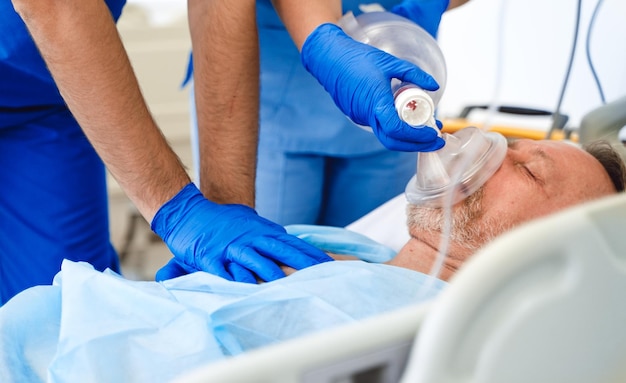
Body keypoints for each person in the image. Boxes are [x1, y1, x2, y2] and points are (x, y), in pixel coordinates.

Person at [0, 136, 624, 382]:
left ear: (557, 242)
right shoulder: (358, 252)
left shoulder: (407, 326)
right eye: (511, 142)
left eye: (528, 167)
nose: (490, 149)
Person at [189, 0, 469, 228]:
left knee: (370, 254)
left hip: (395, 93)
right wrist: (322, 40)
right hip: (273, 97)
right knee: (263, 256)